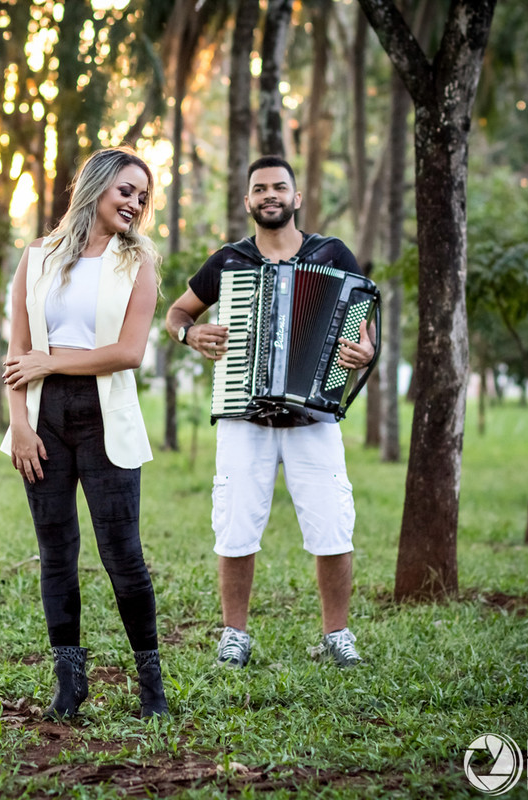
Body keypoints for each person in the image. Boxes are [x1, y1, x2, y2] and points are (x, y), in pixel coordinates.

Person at [164, 155, 376, 669]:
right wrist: (189, 334)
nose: (270, 195)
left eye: (279, 187)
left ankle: (336, 635)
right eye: (259, 188)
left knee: (332, 525)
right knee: (236, 526)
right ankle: (234, 634)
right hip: (243, 414)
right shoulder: (228, 260)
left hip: (314, 416)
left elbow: (364, 328)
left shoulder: (333, 254)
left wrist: (364, 352)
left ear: (297, 197)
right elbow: (176, 312)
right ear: (248, 202)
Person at [0, 147, 167, 719]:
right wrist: (19, 425)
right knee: (56, 555)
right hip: (41, 421)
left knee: (124, 556)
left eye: (142, 197)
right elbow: (18, 350)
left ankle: (152, 688)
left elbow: (129, 352)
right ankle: (69, 685)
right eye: (126, 191)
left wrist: (50, 364)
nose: (135, 204)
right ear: (95, 187)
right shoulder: (38, 257)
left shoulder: (138, 263)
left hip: (105, 420)